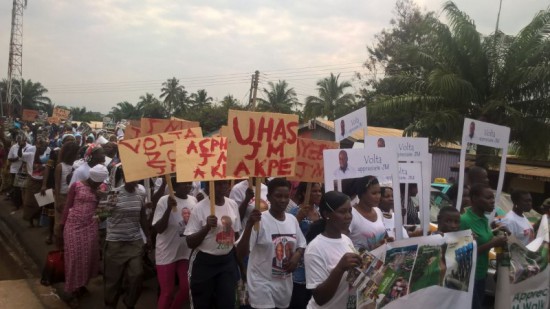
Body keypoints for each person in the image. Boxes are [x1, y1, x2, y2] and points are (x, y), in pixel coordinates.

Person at [237, 178, 306, 309]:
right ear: (269, 197)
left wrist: (296, 257)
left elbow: (301, 244)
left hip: (284, 286)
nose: (283, 200)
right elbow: (240, 253)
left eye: (286, 196)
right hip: (261, 285)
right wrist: (249, 226)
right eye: (278, 196)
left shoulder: (292, 220)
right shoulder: (259, 221)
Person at [185, 180, 241, 309]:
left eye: (225, 183)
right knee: (203, 303)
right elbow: (189, 242)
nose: (224, 186)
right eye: (218, 184)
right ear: (209, 187)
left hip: (226, 262)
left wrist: (240, 265)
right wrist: (206, 228)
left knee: (227, 302)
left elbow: (235, 235)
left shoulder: (232, 204)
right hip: (204, 263)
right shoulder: (199, 208)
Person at [304, 191, 362, 308]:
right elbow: (319, 298)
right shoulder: (315, 248)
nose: (348, 216)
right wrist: (339, 268)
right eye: (342, 211)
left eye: (350, 211)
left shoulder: (346, 240)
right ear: (326, 214)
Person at [61, 164, 109, 304]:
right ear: (91, 178)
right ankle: (69, 290)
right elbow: (67, 205)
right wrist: (61, 226)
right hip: (73, 226)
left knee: (87, 258)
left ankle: (80, 286)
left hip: (90, 227)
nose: (99, 184)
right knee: (74, 258)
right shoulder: (76, 186)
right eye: (97, 182)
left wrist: (101, 199)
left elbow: (104, 215)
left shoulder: (102, 190)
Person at [104, 166, 150, 309]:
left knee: (137, 274)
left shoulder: (141, 192)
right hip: (115, 242)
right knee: (113, 280)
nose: (135, 179)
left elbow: (142, 215)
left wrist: (148, 237)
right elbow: (101, 216)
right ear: (124, 176)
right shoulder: (115, 193)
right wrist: (101, 203)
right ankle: (110, 304)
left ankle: (129, 303)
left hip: (134, 240)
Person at [460, 183, 507, 309]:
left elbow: (484, 239)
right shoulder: (464, 220)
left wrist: (497, 232)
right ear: (474, 198)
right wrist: (494, 243)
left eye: (493, 198)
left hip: (481, 274)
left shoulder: (484, 220)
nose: (492, 201)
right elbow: (463, 253)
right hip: (468, 278)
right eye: (488, 198)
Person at [153, 178, 197, 309]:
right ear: (175, 186)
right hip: (166, 252)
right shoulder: (164, 200)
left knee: (186, 288)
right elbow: (159, 228)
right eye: (184, 183)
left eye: (189, 183)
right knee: (167, 292)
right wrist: (168, 209)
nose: (187, 185)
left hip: (185, 253)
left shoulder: (193, 200)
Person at [288, 182, 323, 308]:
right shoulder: (295, 211)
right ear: (304, 193)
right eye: (314, 191)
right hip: (300, 264)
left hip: (316, 262)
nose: (318, 193)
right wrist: (298, 218)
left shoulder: (321, 212)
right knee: (299, 300)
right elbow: (288, 234)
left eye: (320, 191)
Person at [349, 176, 391, 252]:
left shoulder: (378, 211)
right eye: (374, 193)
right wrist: (372, 250)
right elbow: (345, 243)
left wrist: (387, 240)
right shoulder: (351, 214)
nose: (378, 196)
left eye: (379, 193)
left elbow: (383, 236)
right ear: (361, 194)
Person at [22, 137, 51, 227]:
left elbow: (47, 168)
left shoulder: (49, 151)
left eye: (43, 146)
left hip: (44, 181)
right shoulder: (31, 151)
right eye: (39, 146)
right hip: (32, 180)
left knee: (43, 203)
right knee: (30, 202)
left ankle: (40, 222)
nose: (41, 148)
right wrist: (28, 174)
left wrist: (44, 184)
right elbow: (23, 159)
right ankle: (30, 221)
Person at [7, 134, 31, 211]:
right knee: (16, 188)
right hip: (15, 170)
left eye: (22, 141)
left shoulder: (30, 147)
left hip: (25, 171)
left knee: (24, 188)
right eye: (19, 141)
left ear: (25, 140)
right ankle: (17, 204)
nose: (20, 143)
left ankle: (24, 204)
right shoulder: (14, 147)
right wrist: (17, 158)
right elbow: (9, 159)